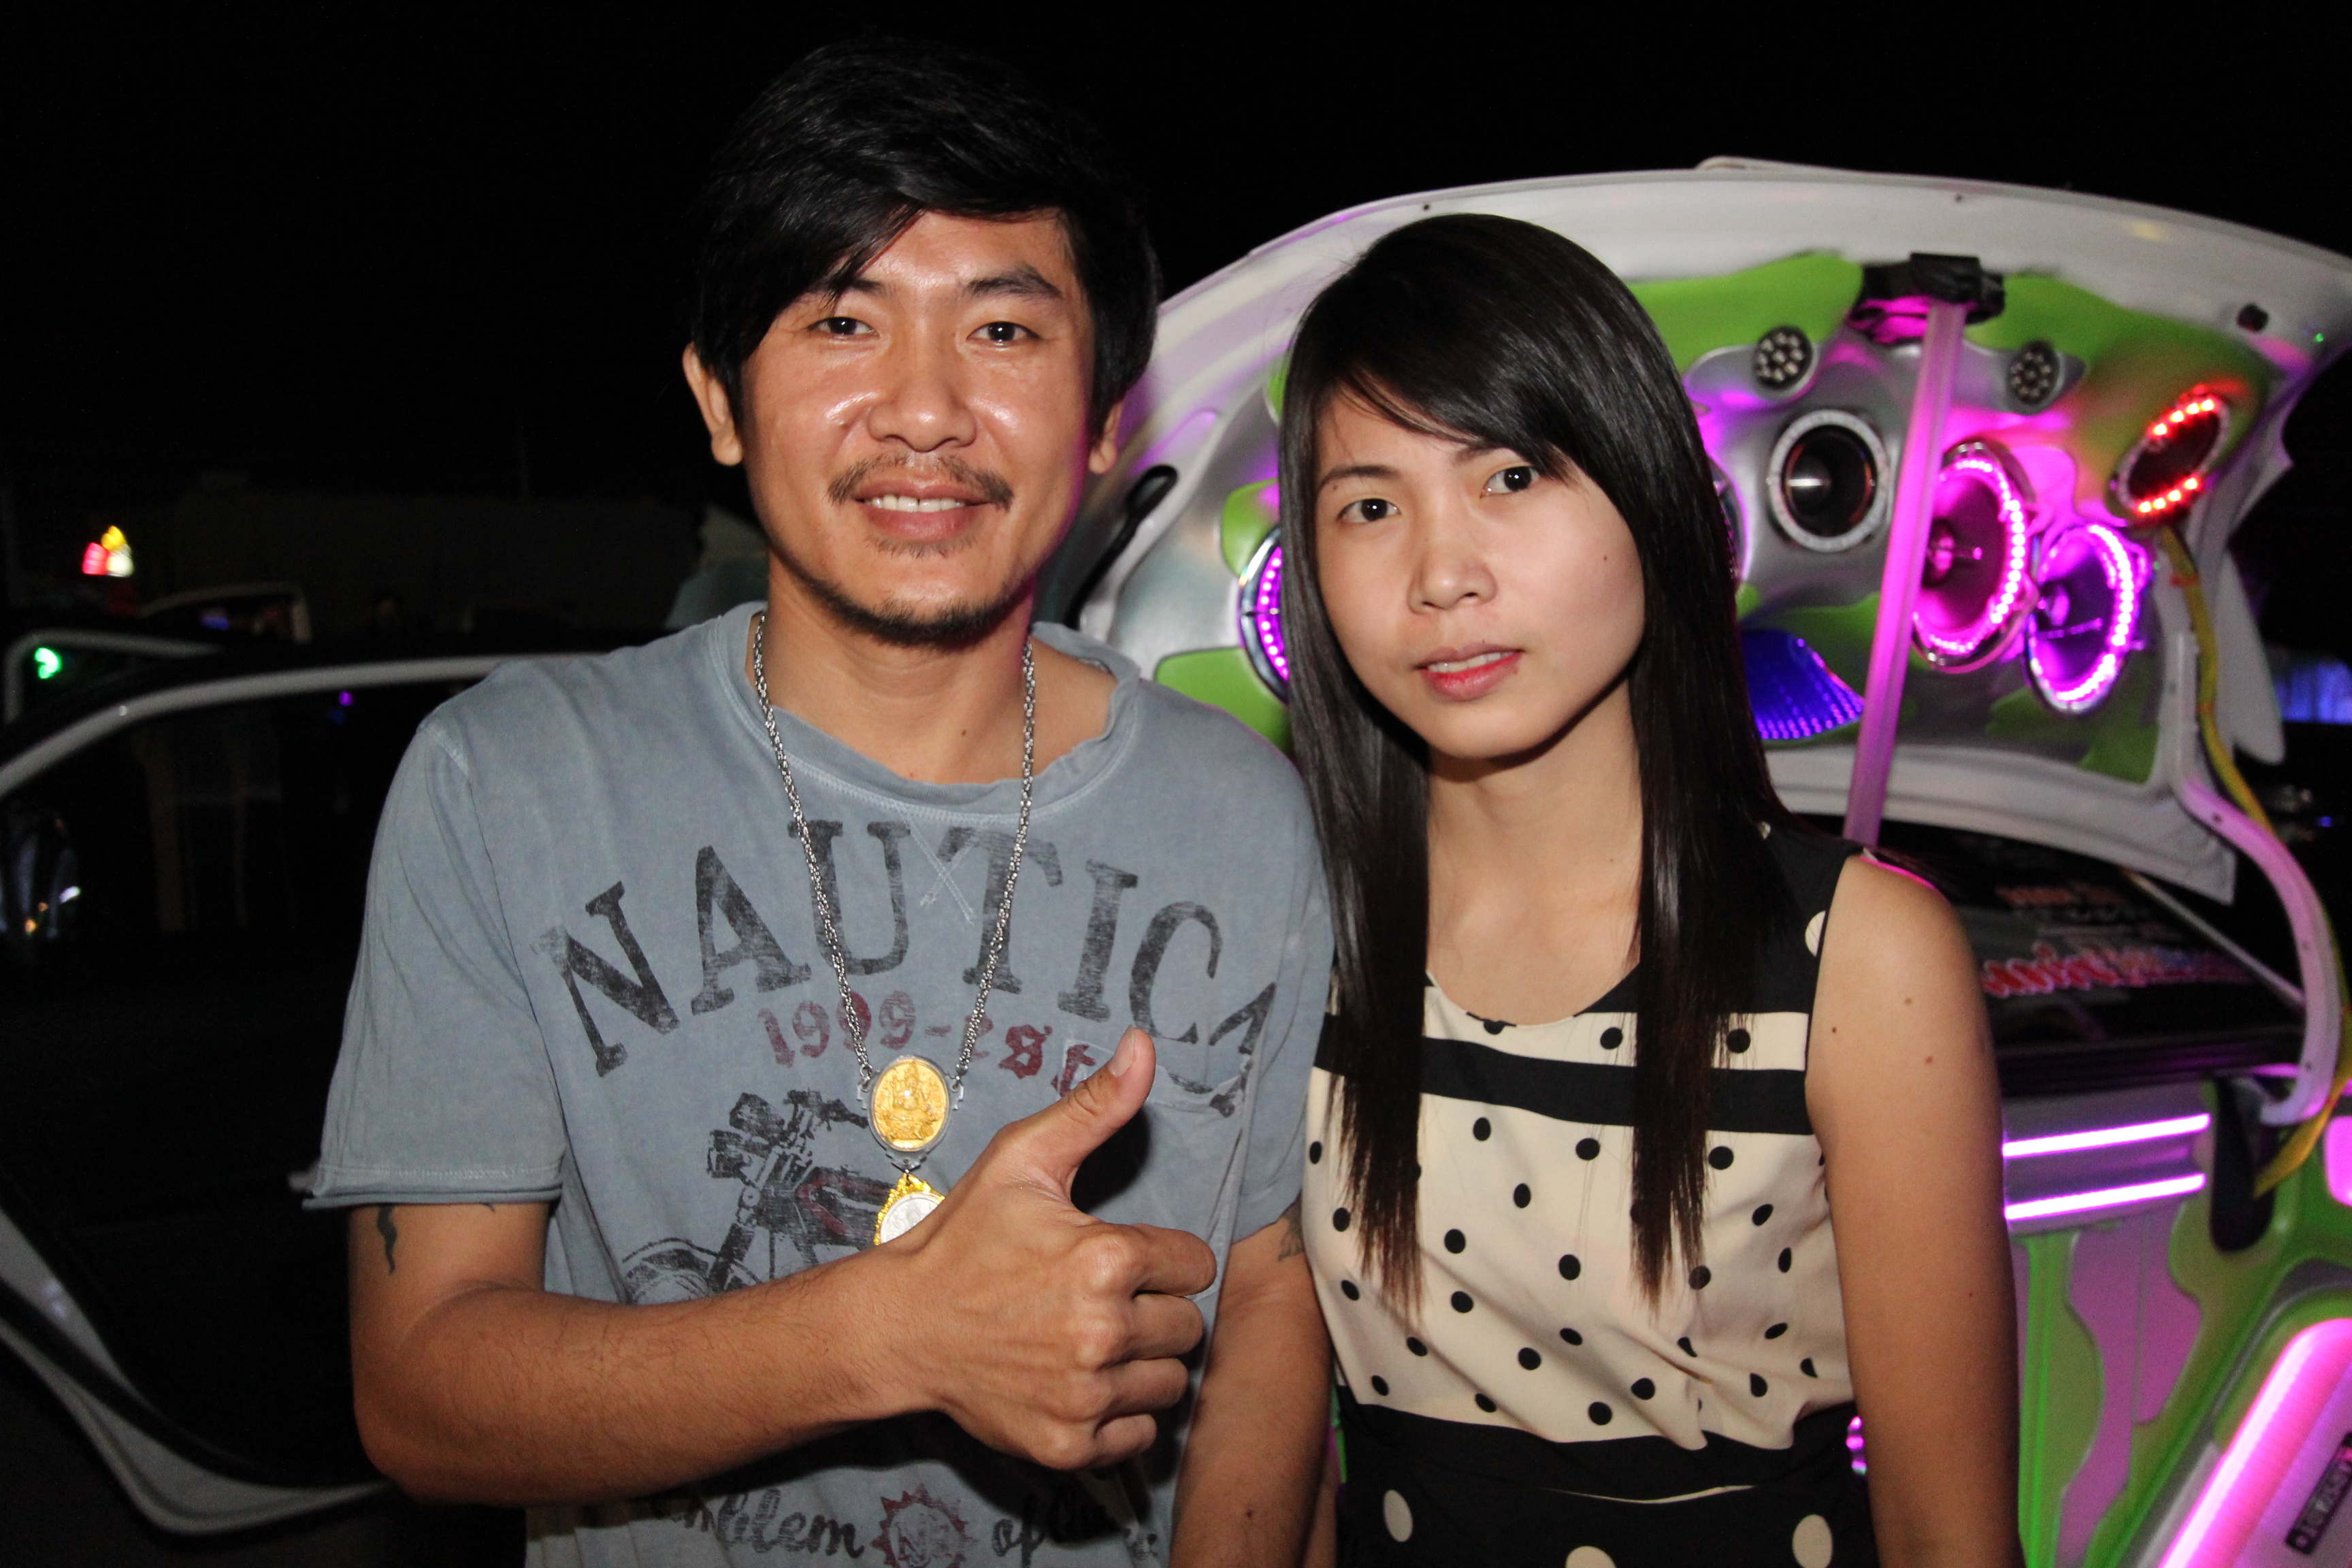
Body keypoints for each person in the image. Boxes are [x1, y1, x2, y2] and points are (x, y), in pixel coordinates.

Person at [308, 39, 1333, 1567]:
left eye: (1003, 328)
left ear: (1109, 418)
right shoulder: (509, 782)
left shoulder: (1244, 811)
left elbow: (1264, 1304)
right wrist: (896, 1333)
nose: (924, 412)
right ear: (719, 399)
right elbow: (421, 1394)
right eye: (843, 321)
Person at [1277, 216, 2019, 1565]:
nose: (1442, 575)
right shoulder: (1295, 928)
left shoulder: (1861, 957)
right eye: (1370, 507)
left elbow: (1948, 1533)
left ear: (1653, 494)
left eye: (1511, 476)